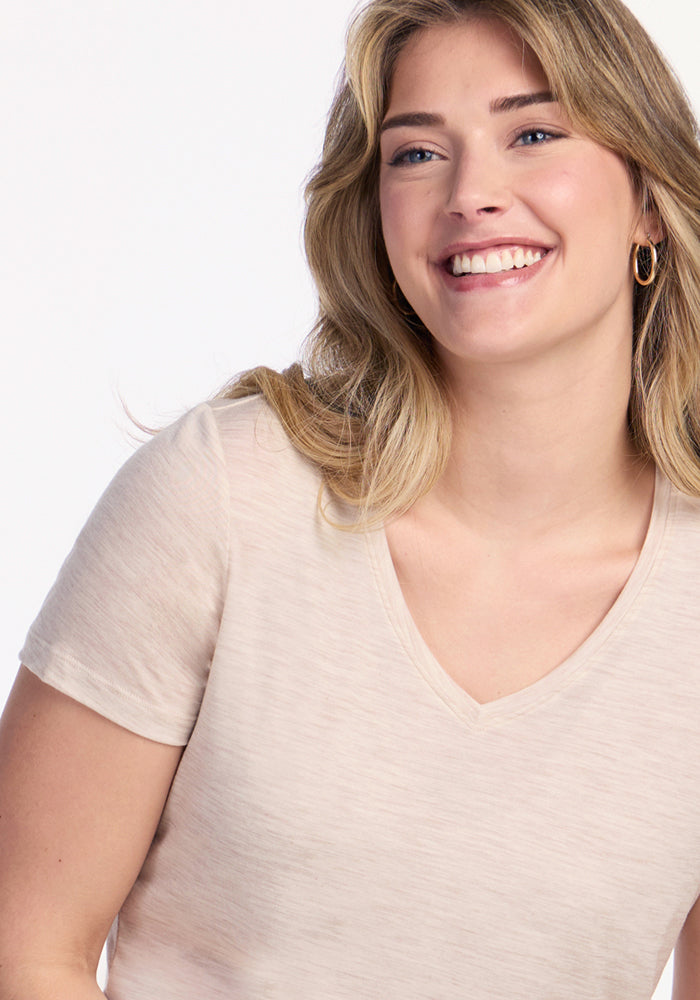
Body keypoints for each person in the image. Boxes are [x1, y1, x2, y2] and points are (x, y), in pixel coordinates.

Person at [1, 0, 699, 996]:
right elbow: (25, 944)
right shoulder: (226, 498)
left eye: (533, 133)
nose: (472, 193)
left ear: (645, 199)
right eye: (416, 154)